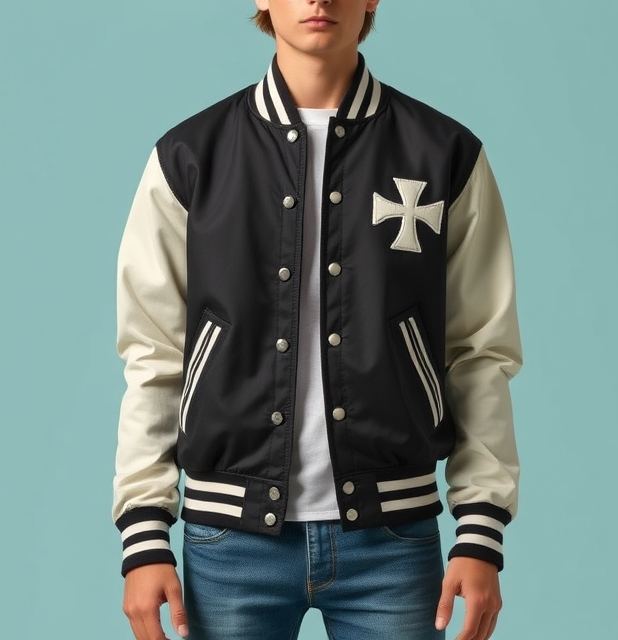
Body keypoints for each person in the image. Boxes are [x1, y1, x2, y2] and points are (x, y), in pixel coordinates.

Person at [111, 1, 524, 639]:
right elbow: (154, 352)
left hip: (394, 538)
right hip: (228, 544)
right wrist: (144, 532)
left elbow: (479, 350)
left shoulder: (444, 154)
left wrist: (480, 528)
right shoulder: (190, 157)